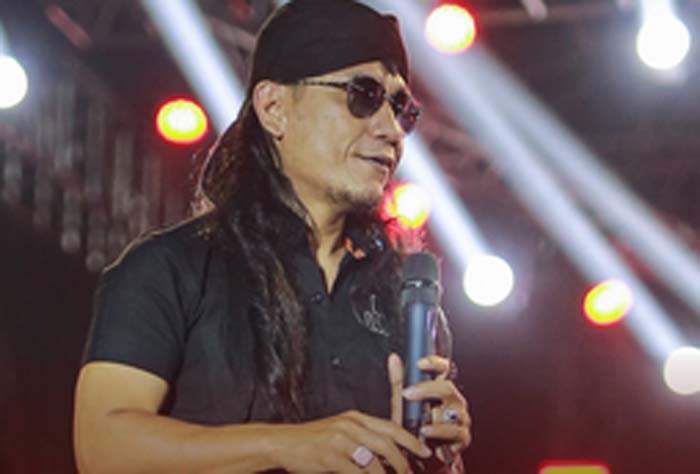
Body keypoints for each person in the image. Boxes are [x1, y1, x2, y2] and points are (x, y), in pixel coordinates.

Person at [73, 1, 471, 472]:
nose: (390, 130)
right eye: (363, 95)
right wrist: (284, 446)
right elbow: (102, 446)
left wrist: (441, 457)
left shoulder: (406, 301)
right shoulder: (170, 268)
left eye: (401, 108)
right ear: (274, 108)